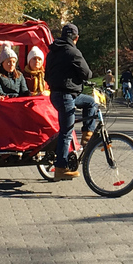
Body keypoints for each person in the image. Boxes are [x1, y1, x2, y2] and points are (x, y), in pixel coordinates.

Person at [45, 23, 98, 181]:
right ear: (76, 38)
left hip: (56, 94)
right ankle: (61, 167)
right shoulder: (72, 51)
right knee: (66, 131)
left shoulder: (52, 52)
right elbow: (87, 73)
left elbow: (48, 75)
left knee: (90, 103)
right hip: (66, 95)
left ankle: (87, 134)